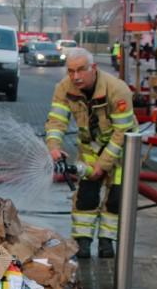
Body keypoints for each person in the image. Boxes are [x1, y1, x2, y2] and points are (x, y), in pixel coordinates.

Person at [45, 47, 136, 259]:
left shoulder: (117, 90)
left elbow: (121, 132)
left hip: (122, 153)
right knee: (86, 196)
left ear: (93, 68)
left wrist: (102, 166)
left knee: (116, 198)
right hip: (90, 149)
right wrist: (54, 146)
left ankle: (107, 242)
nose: (75, 77)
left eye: (80, 70)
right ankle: (83, 244)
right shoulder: (63, 88)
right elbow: (57, 120)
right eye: (70, 71)